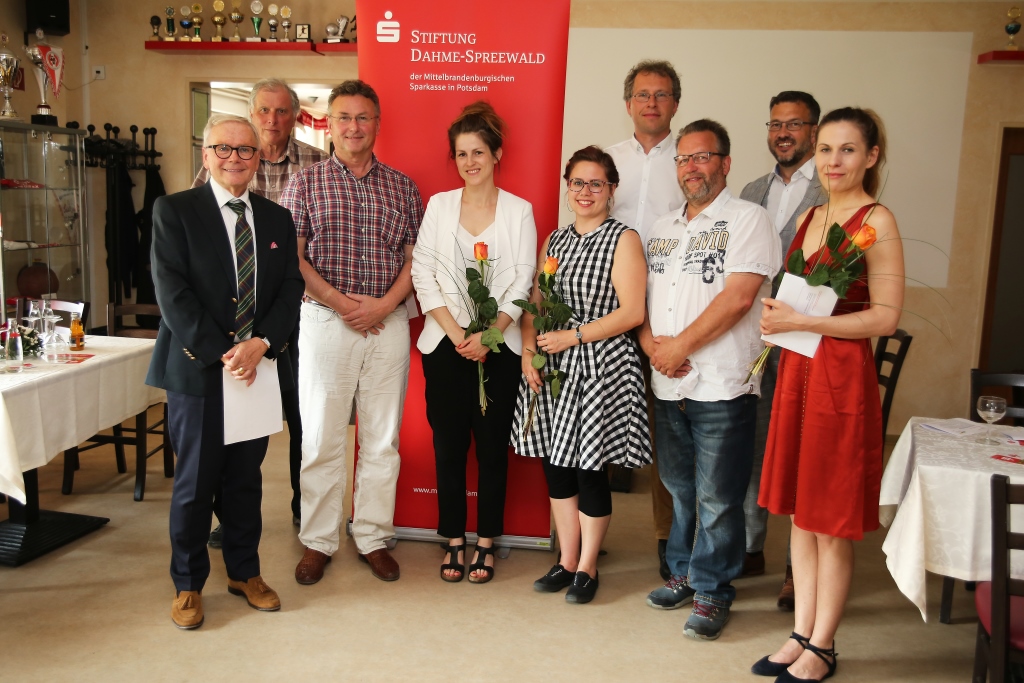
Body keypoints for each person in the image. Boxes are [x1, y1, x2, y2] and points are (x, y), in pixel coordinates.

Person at [754, 107, 902, 682]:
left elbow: (885, 318)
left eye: (847, 150)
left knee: (831, 518)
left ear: (871, 157)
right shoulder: (813, 214)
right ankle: (800, 634)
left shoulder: (878, 220)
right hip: (797, 372)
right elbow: (796, 298)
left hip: (841, 378)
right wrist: (780, 319)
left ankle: (824, 644)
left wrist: (805, 324)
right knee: (800, 514)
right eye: (826, 150)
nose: (833, 161)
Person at [148, 113, 304, 629]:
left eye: (245, 150)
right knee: (194, 484)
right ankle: (188, 584)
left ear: (259, 158)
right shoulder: (174, 211)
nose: (235, 158)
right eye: (224, 149)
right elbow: (173, 295)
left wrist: (261, 343)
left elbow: (288, 291)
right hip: (199, 372)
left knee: (245, 481)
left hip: (256, 370)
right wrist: (224, 352)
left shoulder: (278, 218)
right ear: (206, 154)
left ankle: (244, 571)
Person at [640, 119, 781, 641]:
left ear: (725, 163)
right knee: (680, 489)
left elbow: (739, 297)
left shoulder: (749, 219)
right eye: (684, 158)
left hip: (722, 383)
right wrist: (654, 346)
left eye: (703, 157)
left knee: (719, 495)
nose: (692, 167)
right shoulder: (660, 228)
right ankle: (683, 571)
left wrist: (680, 347)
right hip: (667, 382)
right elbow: (645, 300)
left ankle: (714, 589)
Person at [281, 80, 424, 586]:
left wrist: (384, 305)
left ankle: (372, 536)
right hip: (324, 321)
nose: (353, 127)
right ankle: (318, 540)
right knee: (320, 438)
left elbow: (415, 260)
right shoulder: (305, 182)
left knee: (382, 439)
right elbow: (293, 259)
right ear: (330, 124)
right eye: (343, 117)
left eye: (363, 117)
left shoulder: (403, 187)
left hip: (388, 322)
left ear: (377, 124)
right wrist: (343, 304)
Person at [512, 145, 651, 605]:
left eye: (596, 183)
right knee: (557, 467)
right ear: (567, 188)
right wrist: (529, 352)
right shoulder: (556, 240)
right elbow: (535, 303)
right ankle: (566, 559)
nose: (586, 191)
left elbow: (632, 312)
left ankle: (589, 565)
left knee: (589, 468)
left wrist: (574, 337)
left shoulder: (624, 238)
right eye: (578, 183)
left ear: (611, 190)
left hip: (600, 368)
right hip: (554, 369)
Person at [194, 79, 329, 546]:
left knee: (300, 421)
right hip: (228, 325)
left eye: (281, 112)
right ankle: (225, 517)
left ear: (294, 116)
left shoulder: (316, 162)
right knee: (228, 428)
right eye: (264, 111)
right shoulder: (223, 163)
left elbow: (306, 255)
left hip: (291, 320)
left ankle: (302, 508)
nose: (272, 120)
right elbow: (201, 240)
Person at [411, 102, 537, 583]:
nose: (470, 162)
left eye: (478, 151)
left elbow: (523, 279)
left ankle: (486, 541)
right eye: (461, 153)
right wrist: (456, 330)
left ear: (497, 153)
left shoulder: (519, 210)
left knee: (490, 449)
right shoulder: (440, 205)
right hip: (445, 345)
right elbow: (424, 272)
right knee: (448, 447)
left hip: (498, 348)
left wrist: (490, 333)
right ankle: (453, 540)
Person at [739, 91, 829, 608]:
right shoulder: (752, 189)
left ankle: (800, 566)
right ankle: (752, 546)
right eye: (775, 123)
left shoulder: (831, 188)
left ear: (814, 131)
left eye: (794, 124)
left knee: (798, 452)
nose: (783, 133)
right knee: (753, 446)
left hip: (805, 345)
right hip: (752, 340)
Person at [605, 59, 684, 580]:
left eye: (661, 95)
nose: (651, 102)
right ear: (628, 102)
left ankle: (666, 537)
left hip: (670, 311)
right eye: (641, 94)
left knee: (667, 432)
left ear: (675, 103)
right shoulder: (608, 160)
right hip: (609, 311)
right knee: (598, 414)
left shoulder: (691, 160)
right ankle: (589, 533)